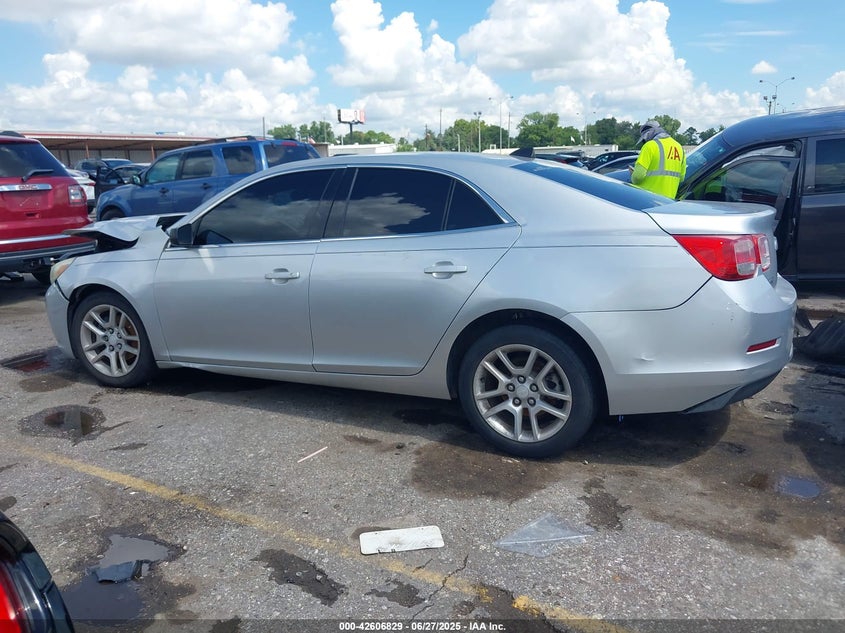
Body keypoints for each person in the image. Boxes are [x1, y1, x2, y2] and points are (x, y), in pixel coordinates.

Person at [629, 120, 686, 198]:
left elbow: (637, 177)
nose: (644, 141)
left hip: (647, 199)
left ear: (648, 134)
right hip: (668, 202)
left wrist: (633, 175)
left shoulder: (650, 146)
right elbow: (681, 178)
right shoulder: (679, 148)